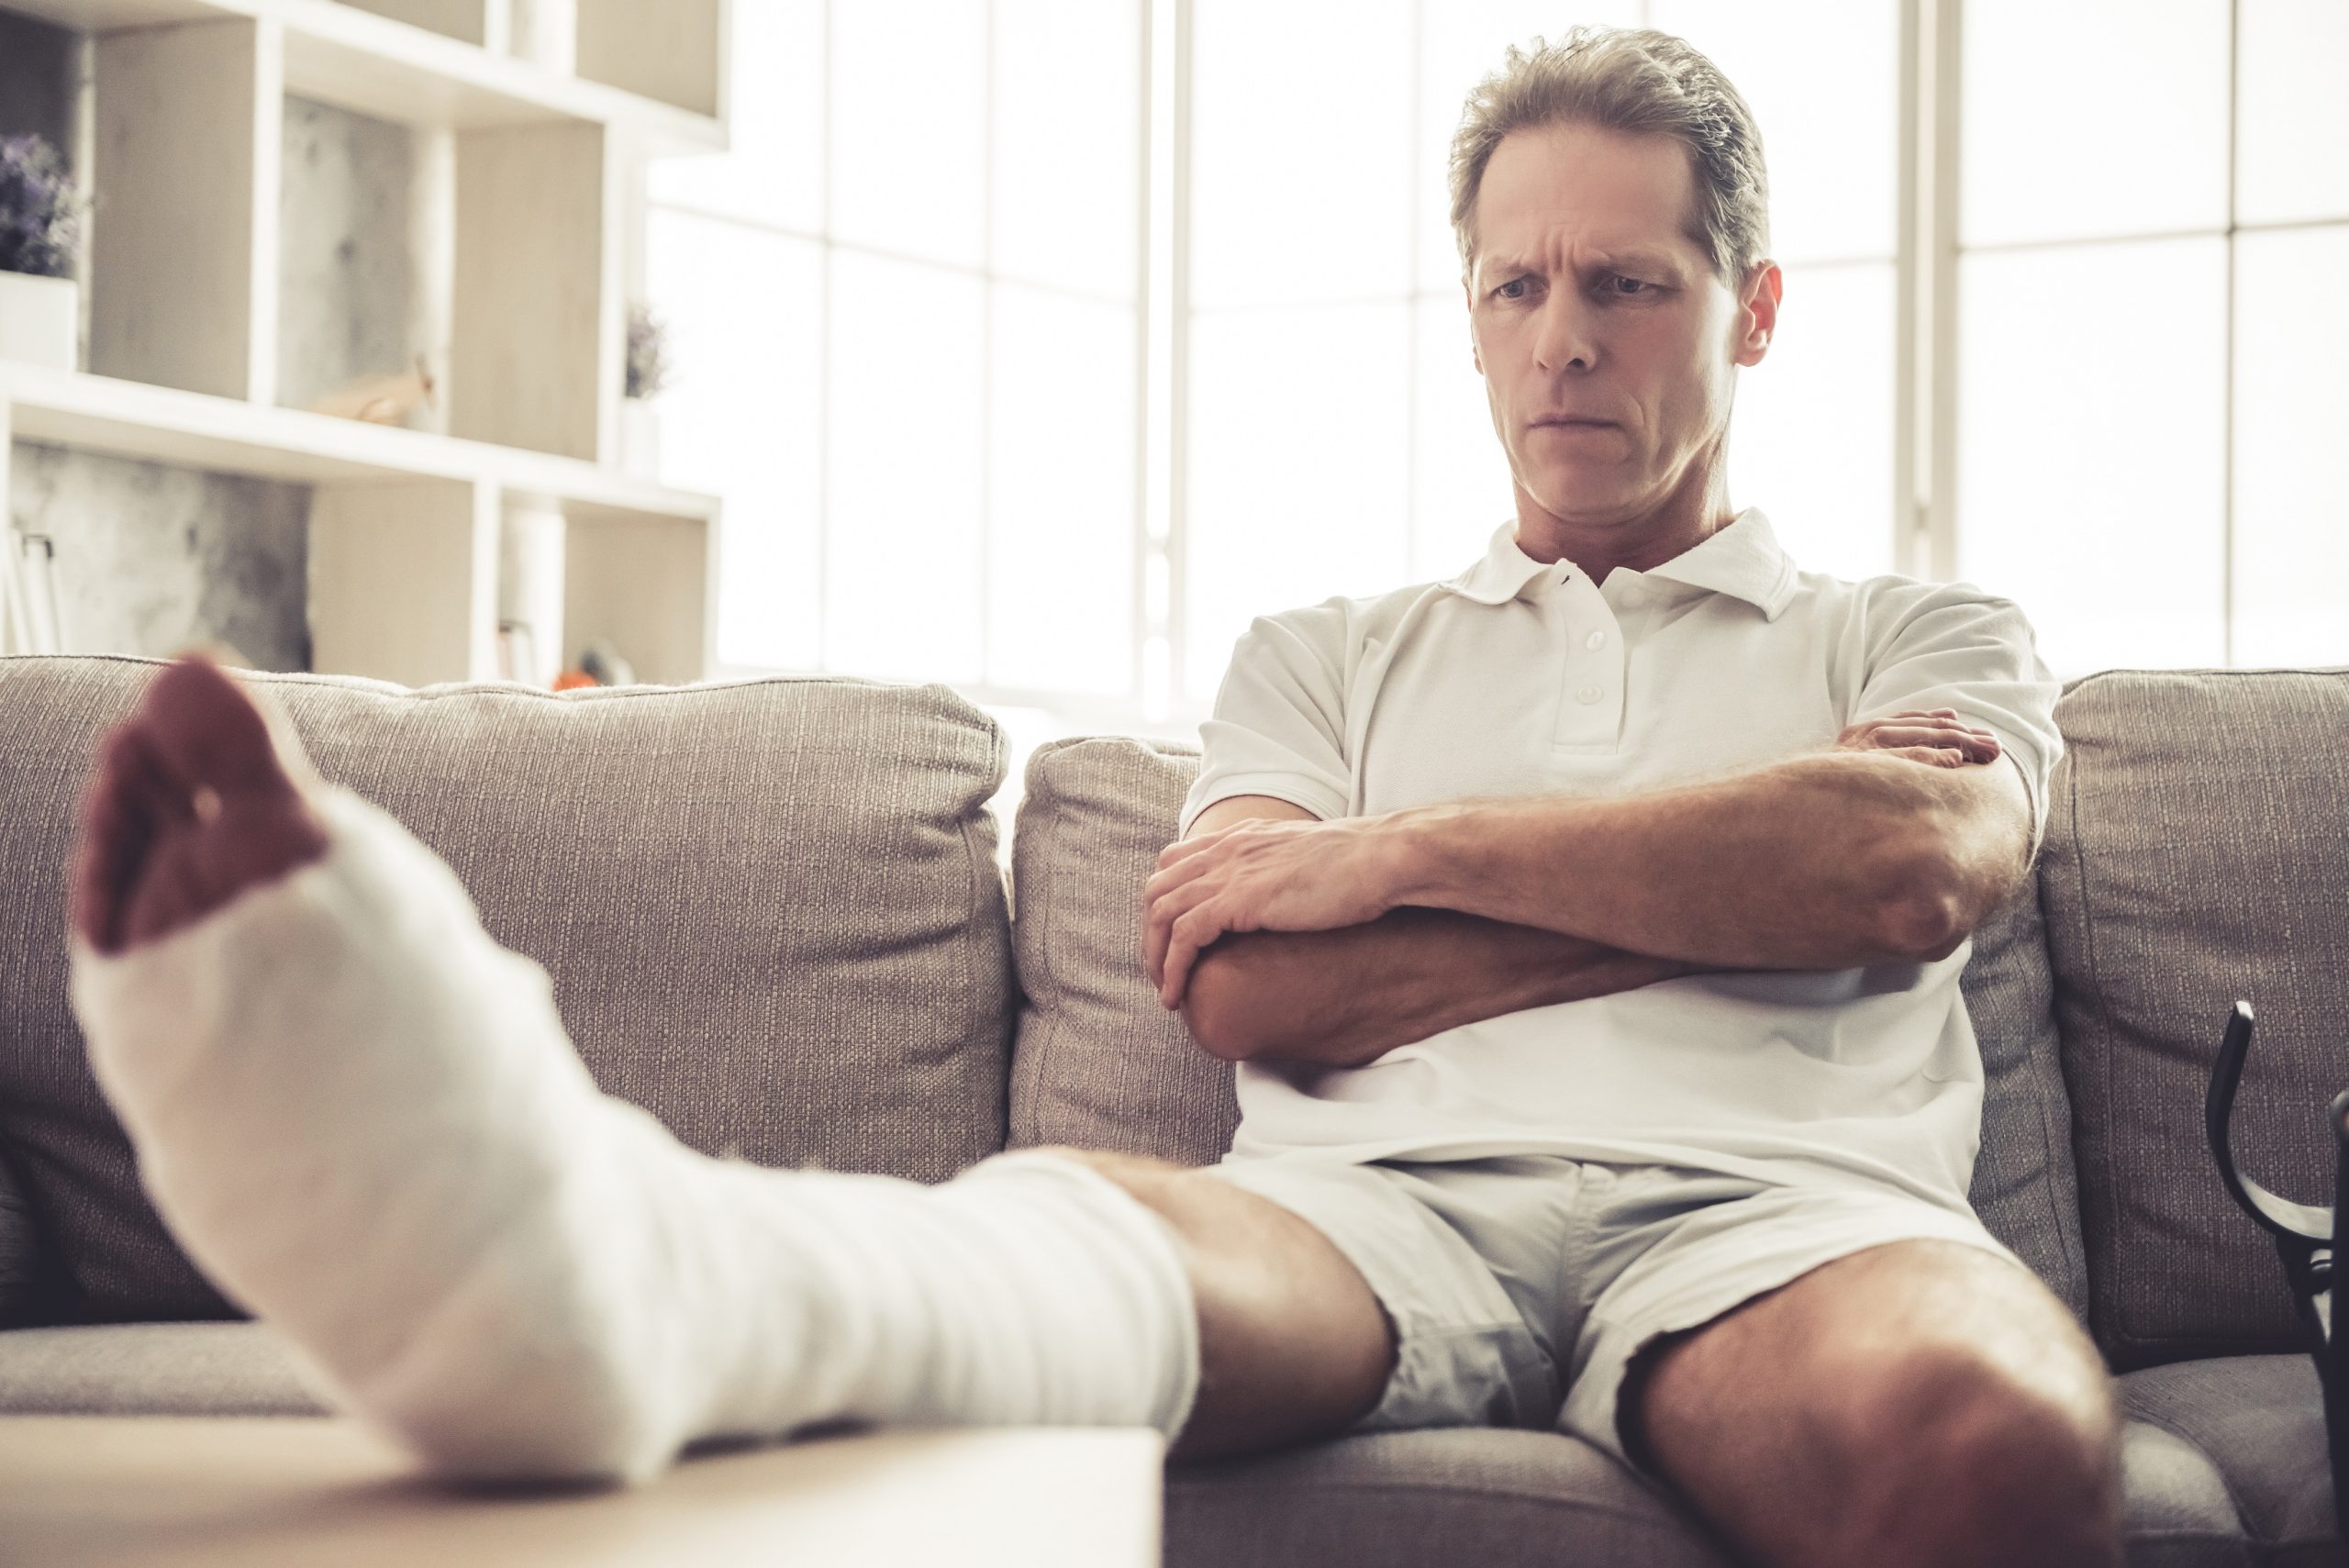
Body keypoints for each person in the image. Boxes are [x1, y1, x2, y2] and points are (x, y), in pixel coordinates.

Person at [65, 26, 2121, 1568]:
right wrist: (1726, 886)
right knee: (1036, 1267)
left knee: (2004, 1436)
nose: (1557, 342)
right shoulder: (1319, 652)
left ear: (1748, 307)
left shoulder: (1917, 630)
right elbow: (1247, 995)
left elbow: (1904, 857)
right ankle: (609, 1285)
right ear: (1470, 316)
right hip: (1372, 1219)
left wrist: (1397, 859)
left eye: (1626, 286)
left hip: (1790, 1231)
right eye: (1514, 288)